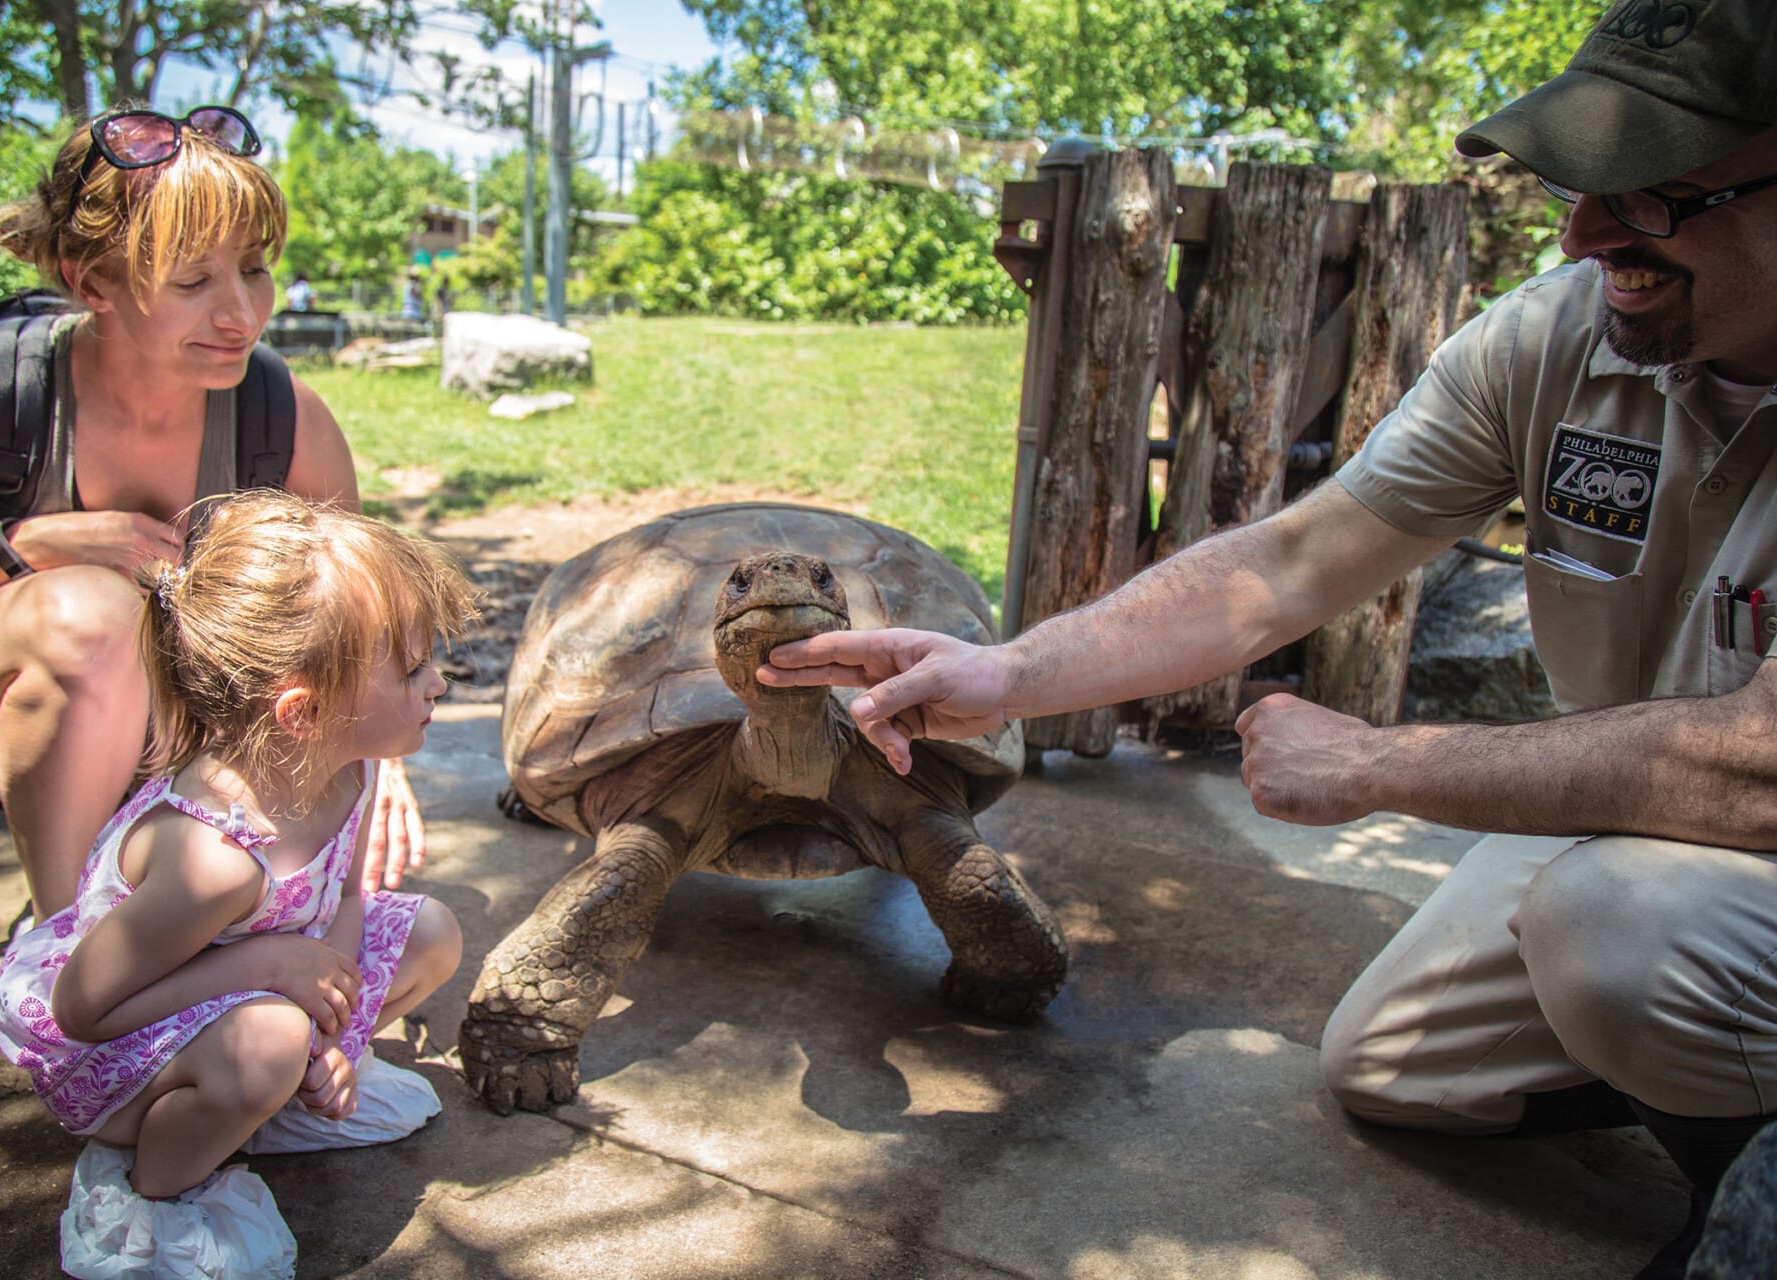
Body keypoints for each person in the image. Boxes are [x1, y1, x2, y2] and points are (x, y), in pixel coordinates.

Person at [761, 5, 1777, 1276]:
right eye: (1585, 186)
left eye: (1657, 196)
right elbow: (1291, 561)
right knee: (1398, 1065)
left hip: (1707, 845)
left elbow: (1755, 765)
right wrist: (1006, 672)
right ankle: (1707, 1062)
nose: (1582, 234)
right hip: (1646, 835)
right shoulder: (1558, 335)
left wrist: (1375, 766)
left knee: (1619, 933)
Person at [0, 104, 430, 921]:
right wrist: (26, 546)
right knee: (92, 615)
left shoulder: (286, 416)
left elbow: (359, 624)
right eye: (194, 281)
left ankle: (196, 904)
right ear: (91, 282)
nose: (242, 314)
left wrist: (386, 762)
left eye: (256, 269)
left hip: (186, 725)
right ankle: (67, 941)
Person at [0, 489, 475, 1278]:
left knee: (433, 934)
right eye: (414, 668)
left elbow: (348, 900)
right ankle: (154, 1182)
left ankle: (263, 1093)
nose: (438, 686)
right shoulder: (213, 859)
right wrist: (268, 971)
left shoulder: (355, 764)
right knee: (268, 1040)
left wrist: (334, 1037)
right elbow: (82, 1009)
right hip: (113, 1053)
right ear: (303, 711)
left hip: (252, 996)